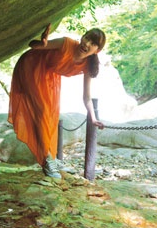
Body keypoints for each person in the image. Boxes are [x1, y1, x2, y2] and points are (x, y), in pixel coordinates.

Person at [8, 23, 106, 179]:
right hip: (31, 66)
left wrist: (93, 118)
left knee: (51, 115)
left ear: (97, 50)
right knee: (42, 111)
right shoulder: (66, 43)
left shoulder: (88, 65)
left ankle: (50, 157)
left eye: (93, 43)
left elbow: (86, 96)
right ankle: (46, 160)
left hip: (48, 76)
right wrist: (43, 43)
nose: (86, 43)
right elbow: (33, 47)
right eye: (87, 37)